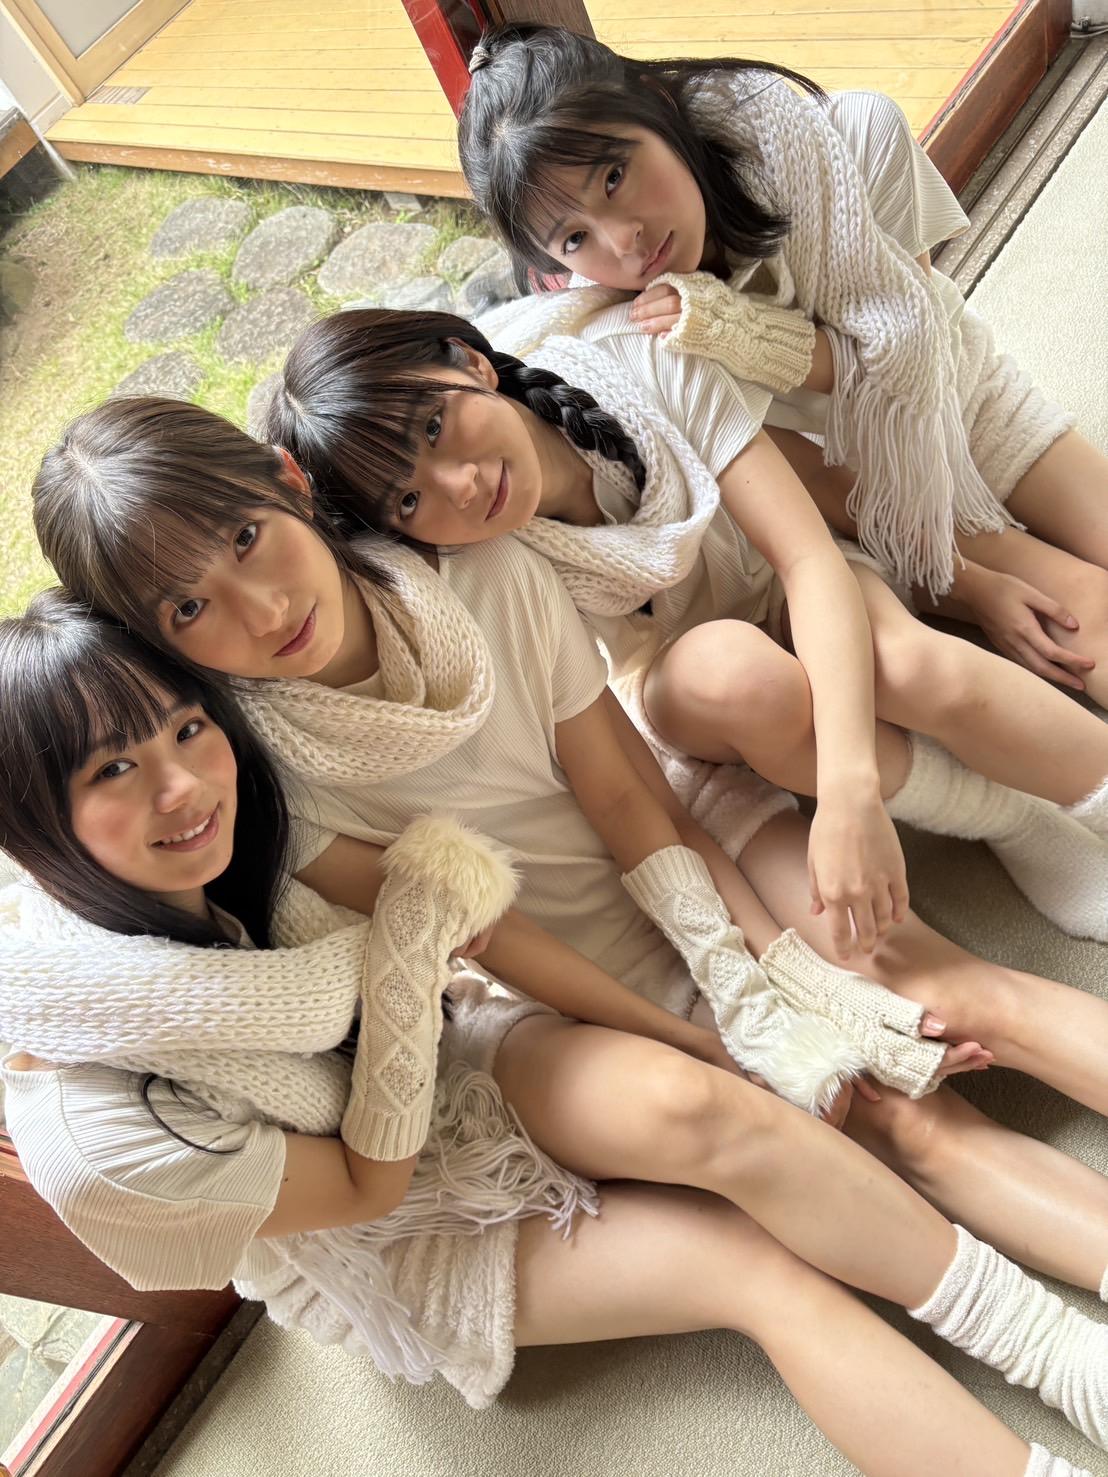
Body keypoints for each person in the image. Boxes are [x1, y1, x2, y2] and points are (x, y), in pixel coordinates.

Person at [24, 395, 1108, 1396]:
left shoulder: (480, 575)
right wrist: (710, 1043)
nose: (260, 609)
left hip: (685, 852)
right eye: (188, 606)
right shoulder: (263, 780)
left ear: (286, 481)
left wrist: (771, 977)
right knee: (900, 1127)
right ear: (155, 645)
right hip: (561, 987)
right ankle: (1072, 1362)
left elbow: (632, 797)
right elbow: (493, 940)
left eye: (246, 537)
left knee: (942, 1002)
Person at [265, 305, 1108, 961]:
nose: (460, 486)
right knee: (737, 675)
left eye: (433, 428)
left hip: (785, 578)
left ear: (471, 362)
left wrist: (849, 790)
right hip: (687, 684)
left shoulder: (640, 364)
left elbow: (807, 558)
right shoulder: (487, 563)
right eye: (409, 499)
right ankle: (1013, 819)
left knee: (915, 666)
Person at [458, 22, 1108, 709]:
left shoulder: (836, 142)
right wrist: (967, 581)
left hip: (949, 401)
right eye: (574, 237)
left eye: (614, 177)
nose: (624, 243)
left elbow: (909, 365)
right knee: (1077, 613)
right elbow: (806, 475)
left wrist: (737, 330)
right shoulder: (623, 327)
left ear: (655, 101)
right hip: (850, 494)